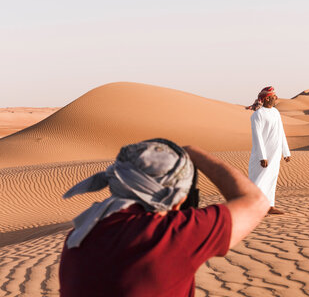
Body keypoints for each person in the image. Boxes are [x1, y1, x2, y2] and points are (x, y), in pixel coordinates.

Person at [59, 138, 269, 297]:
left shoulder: (78, 235)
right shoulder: (168, 236)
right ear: (177, 198)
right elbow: (256, 202)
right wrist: (193, 153)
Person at [247, 86, 291, 215]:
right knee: (259, 180)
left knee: (271, 179)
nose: (276, 98)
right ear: (266, 99)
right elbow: (257, 136)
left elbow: (281, 132)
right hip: (262, 156)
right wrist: (262, 156)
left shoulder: (276, 112)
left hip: (275, 153)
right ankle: (253, 207)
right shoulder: (257, 115)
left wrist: (286, 151)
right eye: (273, 97)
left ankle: (269, 206)